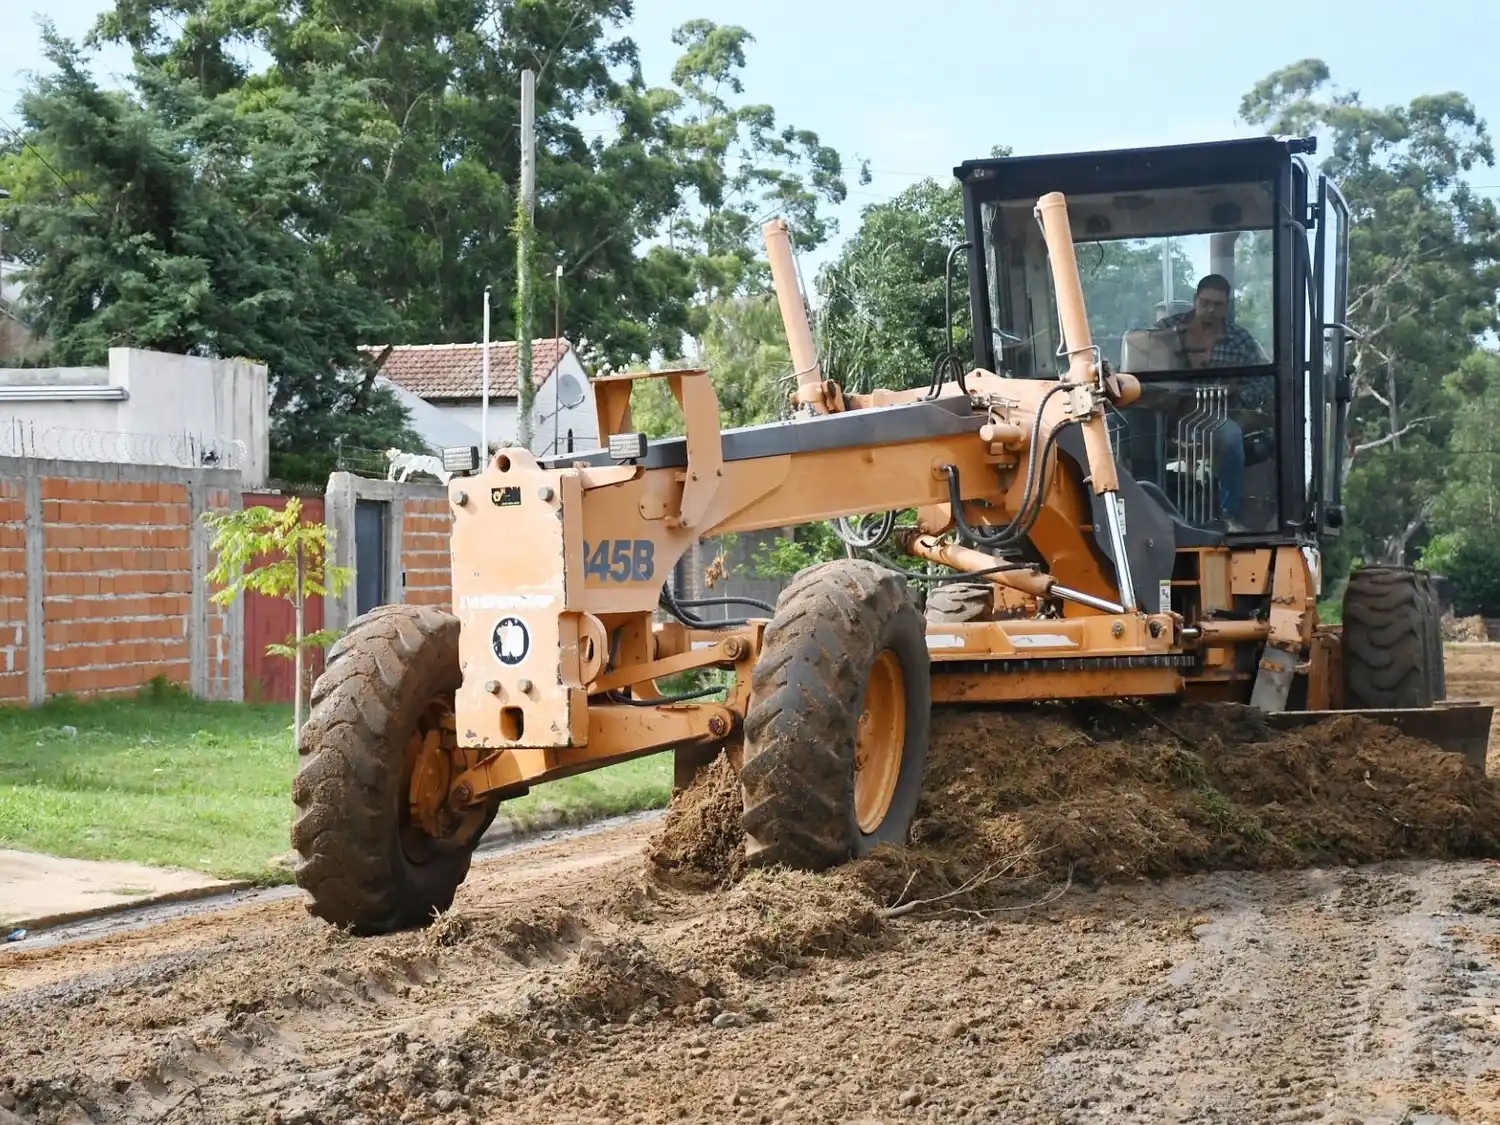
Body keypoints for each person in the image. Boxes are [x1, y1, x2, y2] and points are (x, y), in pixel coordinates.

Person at [1156, 274, 1268, 532]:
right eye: (1205, 302)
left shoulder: (1240, 341)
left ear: (1226, 307)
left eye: (1218, 305)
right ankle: (1145, 507)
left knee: (1230, 437)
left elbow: (1263, 382)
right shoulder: (1167, 330)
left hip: (1216, 415)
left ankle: (1226, 512)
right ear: (1195, 300)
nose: (1210, 309)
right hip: (1166, 414)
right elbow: (1143, 364)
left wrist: (1236, 395)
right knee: (1131, 431)